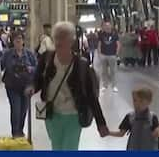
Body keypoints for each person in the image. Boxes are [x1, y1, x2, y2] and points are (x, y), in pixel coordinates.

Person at [28, 21, 109, 150]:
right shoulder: (46, 58)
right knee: (57, 147)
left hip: (73, 115)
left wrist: (101, 123)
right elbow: (37, 80)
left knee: (70, 147)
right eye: (57, 37)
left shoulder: (81, 65)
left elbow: (91, 96)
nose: (59, 41)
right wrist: (32, 87)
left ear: (71, 41)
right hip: (51, 114)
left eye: (63, 37)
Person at [1, 31, 37, 137]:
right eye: (16, 39)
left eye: (20, 38)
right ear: (12, 41)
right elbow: (0, 66)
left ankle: (20, 130)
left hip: (26, 86)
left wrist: (30, 69)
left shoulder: (29, 54)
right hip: (12, 86)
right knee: (16, 109)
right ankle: (15, 132)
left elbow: (37, 68)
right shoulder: (7, 54)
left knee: (23, 110)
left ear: (23, 40)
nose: (18, 41)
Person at [97, 21, 120, 93]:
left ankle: (114, 86)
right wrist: (99, 54)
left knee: (113, 71)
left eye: (108, 26)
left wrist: (116, 54)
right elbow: (99, 44)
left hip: (112, 55)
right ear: (104, 27)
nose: (107, 27)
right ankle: (104, 85)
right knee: (104, 71)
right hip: (104, 55)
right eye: (105, 26)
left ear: (111, 26)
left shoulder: (115, 34)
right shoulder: (101, 35)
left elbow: (118, 44)